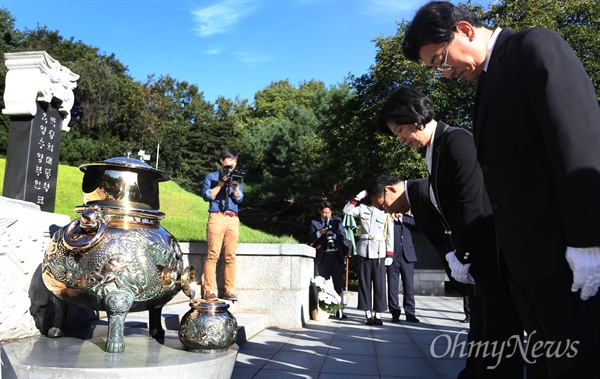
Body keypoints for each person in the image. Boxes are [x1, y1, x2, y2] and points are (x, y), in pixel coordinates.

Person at [402, 2, 600, 377]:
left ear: (465, 29)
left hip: (565, 257)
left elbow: (577, 141)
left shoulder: (533, 47)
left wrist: (589, 240)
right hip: (525, 267)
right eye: (435, 68)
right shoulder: (487, 83)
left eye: (441, 60)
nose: (444, 74)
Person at [372, 84, 523, 378]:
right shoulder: (436, 150)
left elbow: (472, 203)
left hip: (490, 255)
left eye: (400, 131)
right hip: (477, 260)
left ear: (415, 119)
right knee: (480, 329)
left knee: (498, 337)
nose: (401, 141)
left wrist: (463, 254)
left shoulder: (456, 140)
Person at [343, 190, 394, 325]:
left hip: (379, 252)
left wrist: (389, 254)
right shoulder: (362, 208)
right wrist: (357, 197)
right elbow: (347, 210)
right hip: (364, 251)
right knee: (364, 284)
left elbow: (390, 235)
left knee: (380, 284)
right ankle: (368, 314)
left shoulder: (386, 212)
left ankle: (378, 314)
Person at [201, 148, 244, 301]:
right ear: (222, 160)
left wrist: (235, 188)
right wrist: (220, 184)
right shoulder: (211, 177)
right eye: (230, 159)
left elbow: (239, 200)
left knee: (231, 256)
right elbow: (206, 196)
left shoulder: (237, 178)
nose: (232, 163)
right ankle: (208, 290)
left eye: (235, 160)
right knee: (212, 255)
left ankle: (229, 290)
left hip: (233, 218)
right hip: (217, 216)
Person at [308, 200, 348, 318]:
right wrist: (320, 233)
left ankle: (340, 310)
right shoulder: (314, 223)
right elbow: (310, 239)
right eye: (324, 213)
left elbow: (343, 235)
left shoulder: (337, 221)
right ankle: (321, 309)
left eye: (328, 212)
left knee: (338, 285)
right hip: (323, 257)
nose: (326, 215)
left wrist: (332, 235)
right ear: (320, 212)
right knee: (321, 285)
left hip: (336, 256)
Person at [388, 212, 419, 323]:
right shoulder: (388, 219)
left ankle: (410, 313)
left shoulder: (408, 219)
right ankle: (395, 313)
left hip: (408, 256)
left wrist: (416, 217)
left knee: (409, 285)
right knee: (392, 285)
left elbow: (420, 229)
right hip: (392, 257)